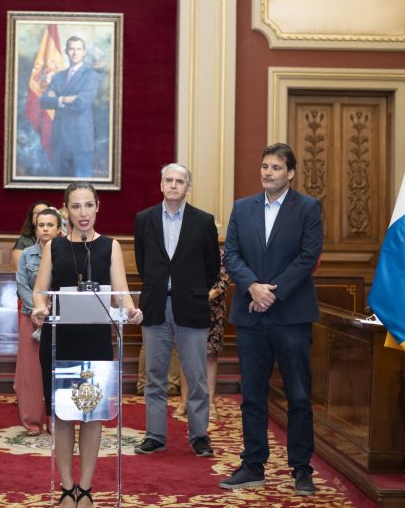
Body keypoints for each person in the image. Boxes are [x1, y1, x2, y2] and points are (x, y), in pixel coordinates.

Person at [30, 182, 143, 508]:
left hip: (95, 340)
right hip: (59, 340)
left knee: (93, 414)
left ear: (97, 207)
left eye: (88, 205)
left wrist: (131, 310)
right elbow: (41, 289)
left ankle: (86, 487)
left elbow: (120, 292)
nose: (82, 213)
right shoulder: (55, 247)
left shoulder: (111, 246)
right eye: (75, 206)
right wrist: (40, 307)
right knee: (63, 416)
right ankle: (66, 488)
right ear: (66, 209)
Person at [218, 143, 322, 496]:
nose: (267, 173)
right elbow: (230, 254)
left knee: (298, 396)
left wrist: (271, 293)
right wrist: (252, 287)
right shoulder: (243, 207)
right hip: (251, 317)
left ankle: (302, 468)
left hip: (291, 316)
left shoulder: (308, 208)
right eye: (264, 166)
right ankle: (252, 465)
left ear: (290, 173)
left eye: (275, 168)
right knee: (252, 395)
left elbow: (308, 257)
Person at [132, 163, 220, 458]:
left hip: (191, 307)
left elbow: (212, 267)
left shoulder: (203, 221)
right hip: (156, 305)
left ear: (187, 187)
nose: (173, 185)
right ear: (161, 185)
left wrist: (192, 290)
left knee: (196, 378)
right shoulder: (144, 219)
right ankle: (155, 436)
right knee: (155, 377)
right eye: (168, 180)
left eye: (179, 181)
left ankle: (199, 436)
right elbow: (143, 264)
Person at [14, 206, 64, 436]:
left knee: (60, 371)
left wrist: (52, 311)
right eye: (41, 225)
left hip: (62, 317)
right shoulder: (26, 255)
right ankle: (33, 422)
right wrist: (38, 310)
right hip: (31, 318)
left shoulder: (67, 252)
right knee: (31, 372)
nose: (45, 229)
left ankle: (58, 420)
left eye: (50, 225)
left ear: (59, 228)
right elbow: (22, 286)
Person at [175, 246, 230, 421]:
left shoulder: (221, 253)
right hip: (187, 307)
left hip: (213, 310)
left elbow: (223, 281)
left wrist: (202, 297)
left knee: (210, 355)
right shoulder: (185, 248)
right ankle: (184, 402)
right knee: (186, 354)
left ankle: (210, 403)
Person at [39, 36, 100, 178]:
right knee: (59, 187)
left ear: (84, 52)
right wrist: (64, 99)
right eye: (71, 49)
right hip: (60, 140)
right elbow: (43, 101)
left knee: (82, 187)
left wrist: (56, 99)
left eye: (79, 49)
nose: (75, 52)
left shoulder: (90, 76)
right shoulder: (58, 77)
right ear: (66, 51)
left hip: (81, 141)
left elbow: (81, 104)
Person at [12, 200, 54, 269]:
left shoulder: (60, 239)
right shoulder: (23, 241)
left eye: (45, 212)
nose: (41, 215)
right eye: (37, 212)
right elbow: (20, 270)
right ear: (31, 217)